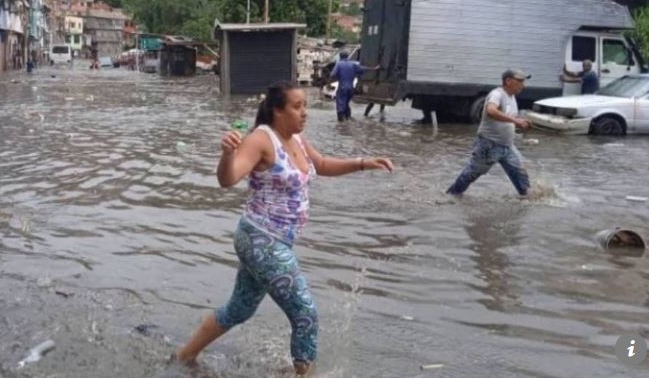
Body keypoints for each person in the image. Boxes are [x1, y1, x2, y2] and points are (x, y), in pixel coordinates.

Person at [177, 82, 394, 376]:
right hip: (262, 241)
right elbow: (228, 179)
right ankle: (303, 374)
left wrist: (364, 163)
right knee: (305, 313)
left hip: (270, 242)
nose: (305, 113)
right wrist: (227, 154)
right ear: (277, 111)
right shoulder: (261, 139)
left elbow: (322, 164)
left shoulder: (297, 139)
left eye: (305, 106)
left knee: (239, 309)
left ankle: (184, 355)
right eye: (297, 106)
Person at [446, 69, 532, 197]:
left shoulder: (512, 97)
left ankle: (527, 200)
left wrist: (520, 121)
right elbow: (491, 111)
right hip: (489, 145)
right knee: (471, 174)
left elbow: (507, 118)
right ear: (508, 81)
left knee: (521, 173)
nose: (523, 85)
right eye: (519, 81)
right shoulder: (497, 94)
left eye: (523, 81)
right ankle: (451, 196)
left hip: (507, 146)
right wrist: (515, 120)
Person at [329, 52, 379, 122]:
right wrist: (374, 68)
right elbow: (363, 69)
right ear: (348, 57)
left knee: (340, 104)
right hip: (351, 88)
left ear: (340, 57)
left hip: (342, 88)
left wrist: (328, 84)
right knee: (346, 104)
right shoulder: (353, 64)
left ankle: (341, 123)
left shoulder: (339, 64)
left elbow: (332, 74)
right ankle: (348, 120)